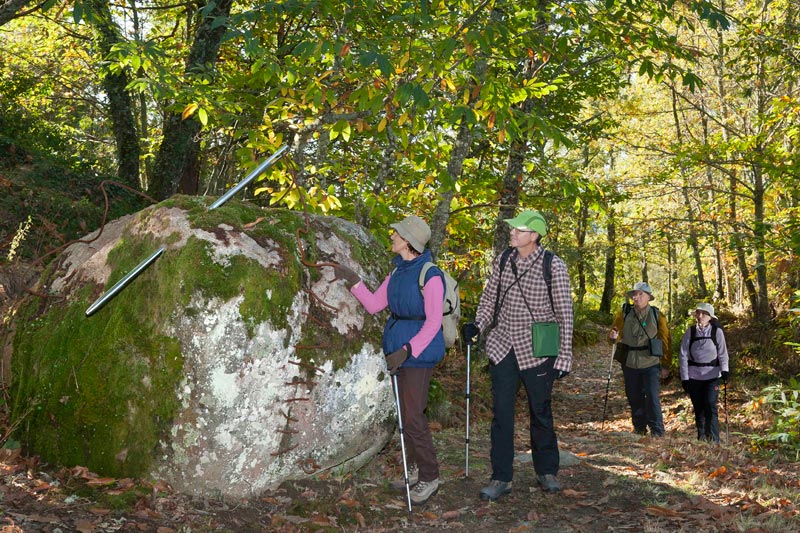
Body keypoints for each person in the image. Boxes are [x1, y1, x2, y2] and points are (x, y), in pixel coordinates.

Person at [329, 215, 445, 505]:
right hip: (397, 351)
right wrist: (353, 280)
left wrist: (408, 349)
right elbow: (374, 305)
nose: (392, 236)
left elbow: (433, 323)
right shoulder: (397, 272)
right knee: (405, 416)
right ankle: (414, 469)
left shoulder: (430, 275)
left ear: (408, 241)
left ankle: (430, 477)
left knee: (414, 416)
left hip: (417, 354)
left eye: (397, 233)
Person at [461, 209, 573, 501]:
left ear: (533, 235)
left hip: (538, 349)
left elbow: (565, 313)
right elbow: (489, 299)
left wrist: (564, 356)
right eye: (512, 229)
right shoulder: (502, 261)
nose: (512, 232)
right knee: (501, 415)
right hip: (502, 347)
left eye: (518, 229)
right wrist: (478, 325)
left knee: (541, 412)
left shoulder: (553, 265)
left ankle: (546, 471)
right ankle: (501, 477)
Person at [608, 281, 671, 437]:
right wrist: (612, 336)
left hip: (651, 362)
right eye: (634, 294)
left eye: (640, 294)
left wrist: (666, 364)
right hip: (630, 363)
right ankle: (639, 428)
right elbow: (614, 334)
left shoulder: (657, 315)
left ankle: (657, 431)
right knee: (634, 396)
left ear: (648, 297)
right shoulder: (624, 313)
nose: (636, 297)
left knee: (652, 396)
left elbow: (665, 339)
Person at [678, 303, 730, 443]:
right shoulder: (690, 332)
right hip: (694, 376)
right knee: (698, 407)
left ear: (710, 317)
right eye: (699, 313)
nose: (700, 316)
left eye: (704, 314)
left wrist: (725, 370)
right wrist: (685, 378)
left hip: (712, 376)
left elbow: (723, 353)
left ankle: (714, 439)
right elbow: (683, 355)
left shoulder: (716, 332)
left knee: (710, 405)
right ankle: (701, 438)